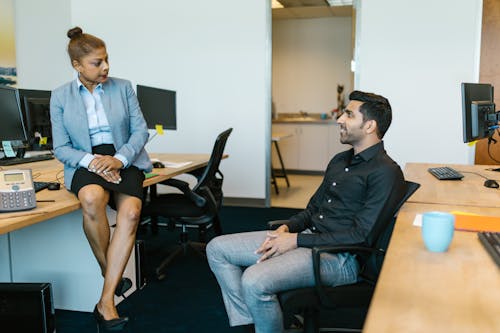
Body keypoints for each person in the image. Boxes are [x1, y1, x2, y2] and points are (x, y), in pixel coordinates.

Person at [206, 90, 407, 333]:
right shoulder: (339, 161)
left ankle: (264, 321)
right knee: (217, 249)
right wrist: (289, 227)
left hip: (340, 258)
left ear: (369, 125)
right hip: (309, 239)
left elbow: (361, 236)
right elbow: (313, 210)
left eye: (349, 114)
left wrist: (296, 240)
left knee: (254, 279)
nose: (340, 119)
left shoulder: (386, 172)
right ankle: (253, 322)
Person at [50, 27, 152, 331]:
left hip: (123, 155)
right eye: (97, 62)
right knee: (92, 198)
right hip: (84, 158)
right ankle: (113, 275)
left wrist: (118, 159)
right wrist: (94, 162)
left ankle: (105, 301)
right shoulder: (60, 96)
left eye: (106, 60)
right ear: (77, 66)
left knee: (131, 212)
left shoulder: (123, 87)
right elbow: (60, 147)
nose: (105, 67)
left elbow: (140, 131)